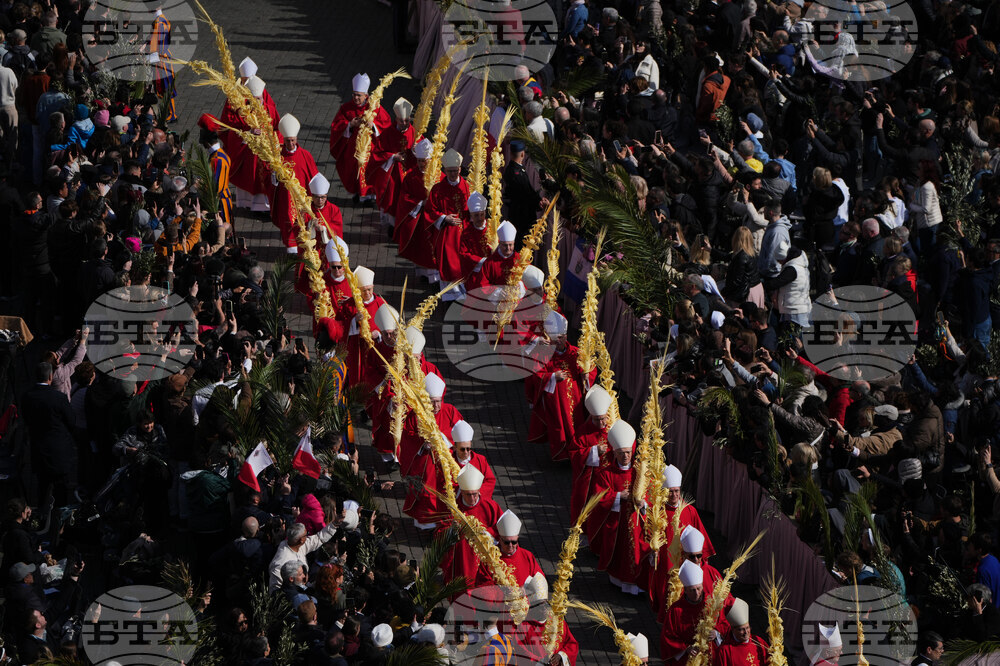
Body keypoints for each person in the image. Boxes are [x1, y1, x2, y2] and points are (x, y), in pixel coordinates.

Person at [329, 73, 392, 202]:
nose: (356, 98)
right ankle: (358, 193)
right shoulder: (346, 108)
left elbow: (386, 124)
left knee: (370, 171)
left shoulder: (375, 108)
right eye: (354, 94)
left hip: (371, 148)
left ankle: (370, 195)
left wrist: (373, 125)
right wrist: (350, 124)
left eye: (359, 95)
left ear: (366, 96)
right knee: (354, 170)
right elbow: (337, 125)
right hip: (353, 149)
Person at [660, 560, 730, 663]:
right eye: (692, 590)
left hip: (712, 656)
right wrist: (686, 648)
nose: (697, 593)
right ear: (685, 590)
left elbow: (725, 625)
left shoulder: (712, 604)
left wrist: (716, 633)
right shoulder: (676, 610)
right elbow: (668, 638)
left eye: (698, 588)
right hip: (689, 659)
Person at [271, 114, 319, 253]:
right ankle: (291, 249)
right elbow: (272, 182)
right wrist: (274, 174)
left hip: (302, 199)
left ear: (296, 139)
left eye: (292, 140)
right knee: (288, 223)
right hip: (285, 198)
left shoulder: (305, 155)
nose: (290, 143)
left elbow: (313, 178)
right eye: (287, 140)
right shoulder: (278, 157)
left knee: (304, 223)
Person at [713, 598, 769, 666]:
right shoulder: (724, 651)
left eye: (747, 628)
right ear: (733, 630)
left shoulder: (758, 642)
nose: (746, 632)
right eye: (741, 629)